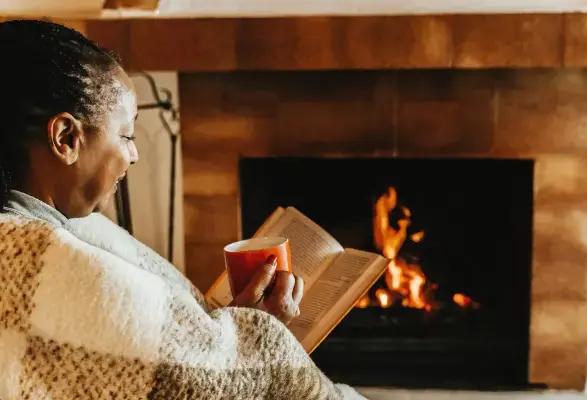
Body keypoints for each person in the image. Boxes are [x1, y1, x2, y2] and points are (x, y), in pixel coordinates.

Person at [0, 19, 365, 399]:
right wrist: (258, 337)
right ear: (65, 138)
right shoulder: (53, 265)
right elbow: (200, 385)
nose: (134, 155)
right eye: (126, 135)